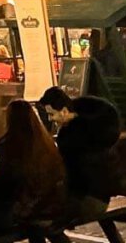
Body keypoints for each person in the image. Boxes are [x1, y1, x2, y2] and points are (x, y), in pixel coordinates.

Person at [0, 99, 65, 233]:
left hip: (23, 209)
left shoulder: (6, 145)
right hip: (48, 205)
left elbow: (0, 184)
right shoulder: (46, 143)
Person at [39, 86, 121, 222]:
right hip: (100, 194)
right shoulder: (94, 131)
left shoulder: (72, 140)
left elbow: (73, 176)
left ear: (64, 111)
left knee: (43, 221)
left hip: (89, 198)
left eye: (51, 114)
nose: (50, 119)